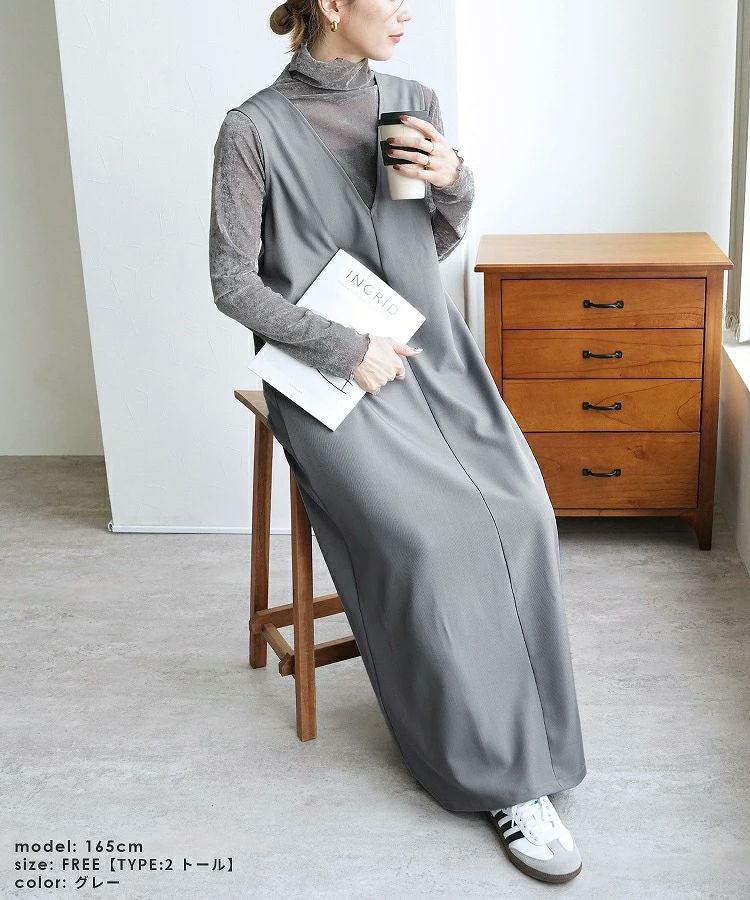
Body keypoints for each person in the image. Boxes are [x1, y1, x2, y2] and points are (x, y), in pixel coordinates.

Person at [209, 0, 587, 884]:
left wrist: (458, 181)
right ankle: (495, 777)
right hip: (333, 378)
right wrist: (346, 348)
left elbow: (425, 245)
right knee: (426, 539)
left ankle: (535, 743)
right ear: (333, 5)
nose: (408, 9)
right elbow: (231, 282)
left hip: (434, 358)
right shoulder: (251, 131)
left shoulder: (412, 101)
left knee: (525, 510)